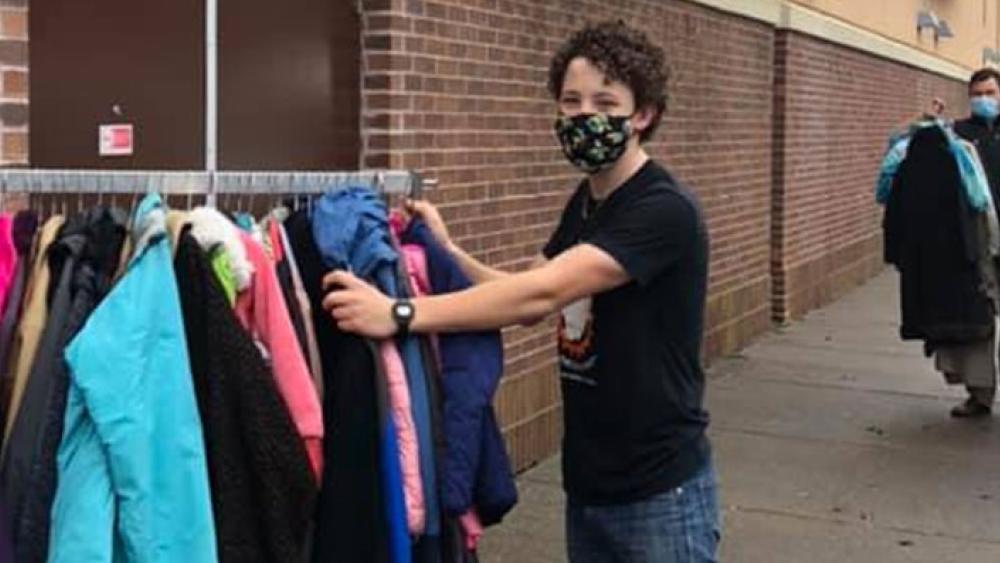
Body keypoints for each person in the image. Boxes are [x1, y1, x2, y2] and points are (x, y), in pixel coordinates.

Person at [323, 21, 720, 562]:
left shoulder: (662, 210)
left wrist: (398, 311)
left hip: (659, 491)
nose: (585, 115)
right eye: (571, 101)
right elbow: (524, 293)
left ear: (642, 114)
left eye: (605, 102)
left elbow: (540, 294)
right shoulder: (586, 203)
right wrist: (446, 250)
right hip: (591, 481)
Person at [947, 68, 1000, 418]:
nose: (984, 99)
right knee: (979, 318)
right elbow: (901, 143)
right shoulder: (958, 133)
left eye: (991, 93)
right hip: (979, 239)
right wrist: (925, 123)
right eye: (978, 93)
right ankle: (979, 394)